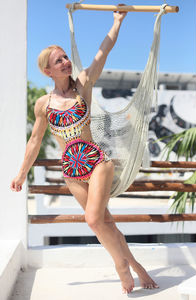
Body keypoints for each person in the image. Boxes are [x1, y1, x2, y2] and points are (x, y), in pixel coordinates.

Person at [11, 7, 159, 294]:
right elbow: (34, 141)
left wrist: (116, 22)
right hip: (71, 172)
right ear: (48, 70)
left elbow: (102, 52)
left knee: (93, 220)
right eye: (59, 60)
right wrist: (21, 174)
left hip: (96, 163)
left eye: (66, 57)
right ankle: (139, 266)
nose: (66, 62)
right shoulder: (43, 104)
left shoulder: (82, 86)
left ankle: (120, 266)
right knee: (107, 224)